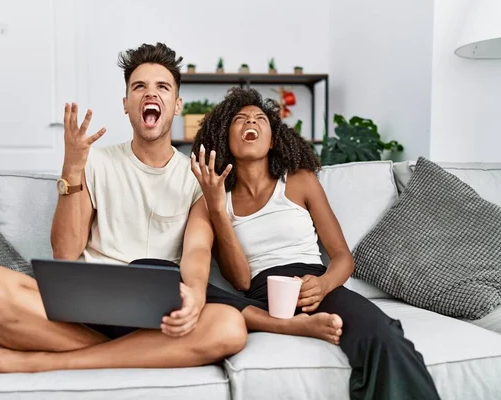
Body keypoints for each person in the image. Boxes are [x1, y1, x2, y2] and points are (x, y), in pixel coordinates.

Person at [0, 43, 247, 377]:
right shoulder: (94, 161)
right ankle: (135, 355)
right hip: (84, 307)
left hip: (158, 313)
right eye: (138, 87)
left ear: (177, 104)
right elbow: (66, 253)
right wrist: (72, 167)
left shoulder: (196, 176)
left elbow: (198, 250)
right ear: (126, 104)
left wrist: (196, 297)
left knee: (228, 325)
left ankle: (29, 362)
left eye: (162, 87)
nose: (149, 94)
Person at [189, 87, 441, 400]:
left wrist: (322, 285)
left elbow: (343, 258)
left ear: (273, 137)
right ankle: (284, 324)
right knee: (190, 288)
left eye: (259, 119)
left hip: (314, 285)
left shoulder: (300, 181)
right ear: (224, 138)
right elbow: (240, 279)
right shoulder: (213, 200)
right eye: (239, 119)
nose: (250, 122)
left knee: (383, 334)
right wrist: (217, 209)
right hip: (259, 297)